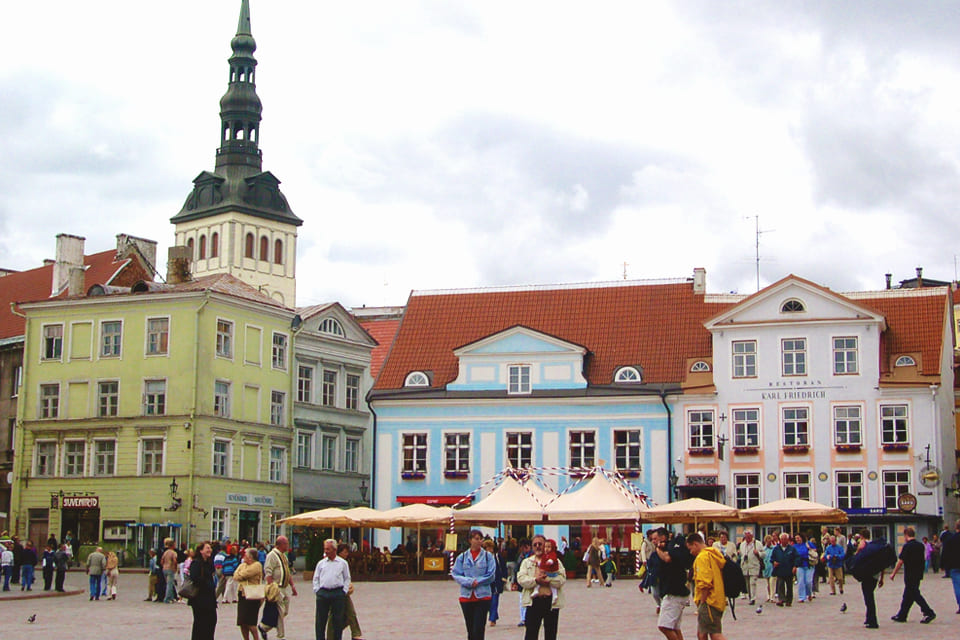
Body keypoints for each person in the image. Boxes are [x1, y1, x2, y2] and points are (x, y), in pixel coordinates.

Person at [517, 533, 566, 640]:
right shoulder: (527, 562)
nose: (538, 546)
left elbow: (562, 579)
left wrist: (548, 581)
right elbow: (521, 579)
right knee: (531, 634)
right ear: (532, 547)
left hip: (551, 603)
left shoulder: (555, 561)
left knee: (551, 634)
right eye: (535, 544)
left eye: (541, 544)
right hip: (533, 602)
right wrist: (535, 580)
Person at [451, 529, 496, 640]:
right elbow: (456, 574)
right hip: (466, 597)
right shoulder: (462, 557)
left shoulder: (487, 557)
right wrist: (469, 582)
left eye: (480, 539)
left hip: (482, 596)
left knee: (478, 629)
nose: (478, 541)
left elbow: (491, 575)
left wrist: (478, 581)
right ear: (470, 540)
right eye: (476, 539)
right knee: (470, 630)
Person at [889, 526, 935, 623]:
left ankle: (928, 612)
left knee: (915, 594)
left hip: (910, 574)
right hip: (918, 573)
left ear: (906, 535)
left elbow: (901, 561)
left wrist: (893, 573)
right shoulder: (920, 545)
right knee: (908, 595)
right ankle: (902, 615)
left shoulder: (907, 546)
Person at [687, 532, 727, 640]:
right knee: (702, 633)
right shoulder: (713, 553)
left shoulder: (702, 558)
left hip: (709, 601)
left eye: (690, 549)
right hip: (718, 598)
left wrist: (702, 602)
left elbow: (705, 583)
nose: (691, 552)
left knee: (715, 634)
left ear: (695, 544)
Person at [655, 528, 691, 640]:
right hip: (675, 592)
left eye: (655, 539)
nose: (654, 541)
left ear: (662, 537)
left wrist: (657, 549)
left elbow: (667, 558)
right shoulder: (672, 548)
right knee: (674, 627)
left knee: (664, 626)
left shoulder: (672, 548)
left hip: (674, 593)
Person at [313, 538, 351, 640]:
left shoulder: (342, 563)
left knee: (337, 621)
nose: (326, 551)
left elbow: (347, 578)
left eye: (328, 549)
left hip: (337, 593)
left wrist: (344, 591)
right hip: (323, 593)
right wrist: (317, 590)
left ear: (334, 550)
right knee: (320, 621)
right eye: (325, 549)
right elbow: (316, 578)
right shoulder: (321, 563)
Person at [263, 535, 298, 640]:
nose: (288, 545)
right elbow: (268, 572)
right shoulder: (272, 555)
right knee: (280, 610)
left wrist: (292, 586)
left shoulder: (284, 556)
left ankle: (264, 627)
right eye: (286, 543)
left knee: (284, 611)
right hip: (276, 587)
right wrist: (271, 587)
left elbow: (287, 571)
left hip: (284, 587)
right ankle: (280, 635)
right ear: (280, 544)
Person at [326, 544, 364, 640]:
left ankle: (355, 634)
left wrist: (348, 587)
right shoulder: (333, 563)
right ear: (339, 552)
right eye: (345, 552)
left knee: (350, 613)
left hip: (344, 592)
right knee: (337, 614)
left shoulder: (344, 563)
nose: (347, 554)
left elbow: (347, 577)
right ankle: (333, 634)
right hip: (335, 592)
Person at [854, 529, 885, 629]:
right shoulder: (875, 546)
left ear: (862, 536)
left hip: (867, 575)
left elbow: (858, 555)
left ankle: (873, 621)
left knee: (869, 598)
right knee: (869, 596)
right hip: (875, 575)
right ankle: (868, 618)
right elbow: (882, 563)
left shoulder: (864, 545)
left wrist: (858, 549)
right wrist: (882, 578)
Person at [188, 542, 218, 640]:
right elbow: (194, 578)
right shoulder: (196, 563)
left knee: (211, 622)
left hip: (209, 599)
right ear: (201, 551)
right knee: (200, 625)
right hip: (199, 600)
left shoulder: (209, 563)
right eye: (207, 548)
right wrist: (206, 583)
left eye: (210, 548)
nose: (209, 550)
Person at [235, 547, 264, 640]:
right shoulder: (243, 565)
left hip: (252, 595)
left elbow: (245, 574)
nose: (244, 557)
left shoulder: (257, 565)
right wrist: (240, 575)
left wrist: (241, 575)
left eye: (245, 556)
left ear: (251, 557)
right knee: (242, 622)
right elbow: (236, 575)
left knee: (251, 623)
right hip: (242, 594)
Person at [482, 538, 507, 627]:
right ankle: (494, 616)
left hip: (496, 581)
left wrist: (504, 578)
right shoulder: (482, 558)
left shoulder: (497, 557)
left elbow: (503, 567)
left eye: (490, 548)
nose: (489, 550)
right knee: (488, 602)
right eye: (486, 548)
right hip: (486, 583)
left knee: (494, 600)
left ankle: (492, 619)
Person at [770, 532, 798, 606]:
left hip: (789, 570)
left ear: (788, 540)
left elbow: (797, 558)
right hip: (780, 570)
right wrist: (774, 562)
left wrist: (795, 566)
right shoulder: (776, 549)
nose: (784, 541)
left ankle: (789, 601)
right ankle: (781, 599)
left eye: (785, 539)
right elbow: (772, 558)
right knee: (780, 585)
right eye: (782, 539)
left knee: (789, 586)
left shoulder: (792, 549)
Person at [738, 530, 764, 604]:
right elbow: (741, 555)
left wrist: (758, 553)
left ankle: (753, 598)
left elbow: (763, 554)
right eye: (746, 536)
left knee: (752, 582)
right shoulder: (742, 544)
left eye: (749, 536)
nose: (748, 538)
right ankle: (750, 597)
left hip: (754, 566)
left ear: (752, 536)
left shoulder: (757, 544)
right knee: (747, 584)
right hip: (745, 566)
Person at [941, 519, 960, 612]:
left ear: (956, 527)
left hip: (955, 565)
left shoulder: (950, 539)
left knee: (957, 585)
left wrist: (943, 564)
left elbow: (945, 553)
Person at [514, 538, 532, 628]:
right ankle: (523, 618)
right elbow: (516, 569)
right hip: (521, 582)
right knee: (522, 601)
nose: (524, 549)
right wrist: (515, 582)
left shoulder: (532, 556)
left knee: (531, 601)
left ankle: (530, 617)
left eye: (526, 547)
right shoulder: (520, 556)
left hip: (531, 582)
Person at [792, 533, 813, 603]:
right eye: (796, 538)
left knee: (808, 581)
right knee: (800, 581)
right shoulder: (794, 547)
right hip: (799, 565)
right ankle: (801, 597)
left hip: (808, 565)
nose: (797, 539)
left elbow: (815, 550)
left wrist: (810, 549)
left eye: (798, 538)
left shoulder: (808, 544)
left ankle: (809, 593)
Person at [538, 539, 561, 603]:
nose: (546, 549)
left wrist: (550, 561)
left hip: (552, 573)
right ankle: (536, 590)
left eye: (548, 547)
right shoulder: (544, 556)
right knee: (539, 581)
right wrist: (540, 563)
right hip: (547, 572)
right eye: (545, 547)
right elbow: (543, 562)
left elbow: (553, 559)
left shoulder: (552, 554)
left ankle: (555, 595)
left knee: (552, 585)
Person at [161, 537, 179, 603]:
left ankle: (171, 597)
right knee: (170, 584)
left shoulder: (165, 552)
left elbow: (161, 561)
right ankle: (167, 598)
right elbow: (175, 561)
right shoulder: (173, 553)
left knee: (168, 583)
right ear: (173, 545)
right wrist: (175, 568)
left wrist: (163, 565)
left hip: (164, 569)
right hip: (170, 569)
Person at [761, 534, 776, 602]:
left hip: (772, 567)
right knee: (768, 583)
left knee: (772, 582)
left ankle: (772, 597)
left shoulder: (774, 548)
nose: (768, 541)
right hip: (766, 567)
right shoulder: (763, 549)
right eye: (767, 540)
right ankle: (768, 595)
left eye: (770, 539)